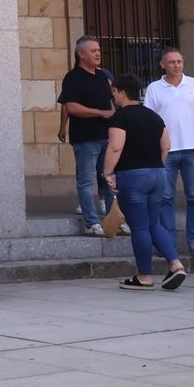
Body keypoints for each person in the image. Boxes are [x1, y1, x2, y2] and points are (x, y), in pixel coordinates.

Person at [106, 73, 189, 291]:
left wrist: (108, 173)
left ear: (122, 92)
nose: (113, 97)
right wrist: (155, 166)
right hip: (157, 174)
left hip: (133, 176)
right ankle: (175, 263)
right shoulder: (154, 116)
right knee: (154, 223)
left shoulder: (120, 117)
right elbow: (166, 146)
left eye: (114, 92)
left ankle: (144, 277)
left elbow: (115, 147)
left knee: (139, 227)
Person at [144, 47, 194, 257]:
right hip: (165, 151)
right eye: (172, 62)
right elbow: (149, 121)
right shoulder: (154, 88)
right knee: (165, 196)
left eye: (179, 61)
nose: (177, 66)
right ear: (162, 64)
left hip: (192, 149)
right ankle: (168, 242)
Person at [58, 36, 116, 238]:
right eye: (93, 50)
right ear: (81, 54)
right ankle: (91, 222)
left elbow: (110, 104)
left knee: (109, 180)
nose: (98, 53)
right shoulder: (73, 77)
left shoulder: (102, 76)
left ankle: (113, 221)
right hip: (85, 139)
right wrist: (101, 113)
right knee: (86, 181)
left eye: (98, 50)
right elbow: (71, 107)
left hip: (106, 137)